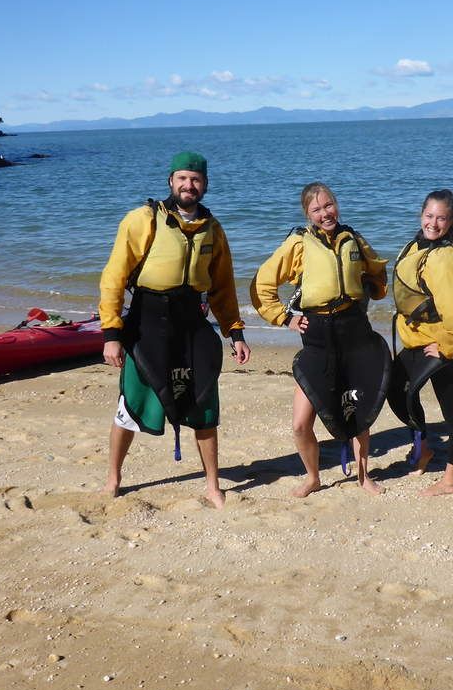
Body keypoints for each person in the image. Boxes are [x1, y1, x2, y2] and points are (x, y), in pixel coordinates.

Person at [99, 151, 251, 509]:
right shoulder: (143, 219)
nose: (189, 185)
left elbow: (222, 287)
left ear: (205, 185)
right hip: (147, 322)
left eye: (196, 179)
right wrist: (111, 334)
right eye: (182, 178)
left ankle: (213, 485)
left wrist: (235, 332)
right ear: (170, 181)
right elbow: (114, 278)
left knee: (204, 402)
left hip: (191, 324)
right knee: (130, 404)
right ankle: (113, 478)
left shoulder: (212, 229)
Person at [250, 181, 389, 498]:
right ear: (307, 213)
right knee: (301, 424)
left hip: (354, 331)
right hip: (318, 336)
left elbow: (377, 270)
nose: (325, 213)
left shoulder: (352, 237)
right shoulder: (298, 244)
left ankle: (363, 476)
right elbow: (262, 284)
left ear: (336, 204)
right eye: (317, 209)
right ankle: (313, 477)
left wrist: (373, 288)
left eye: (329, 205)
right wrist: (284, 316)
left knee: (359, 413)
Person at [387, 189, 453, 496]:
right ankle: (424, 449)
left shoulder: (445, 257)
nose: (433, 223)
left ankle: (451, 479)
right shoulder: (418, 244)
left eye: (441, 218)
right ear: (421, 214)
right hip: (416, 341)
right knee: (398, 393)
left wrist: (448, 346)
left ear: (451, 221)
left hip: (439, 345)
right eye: (429, 216)